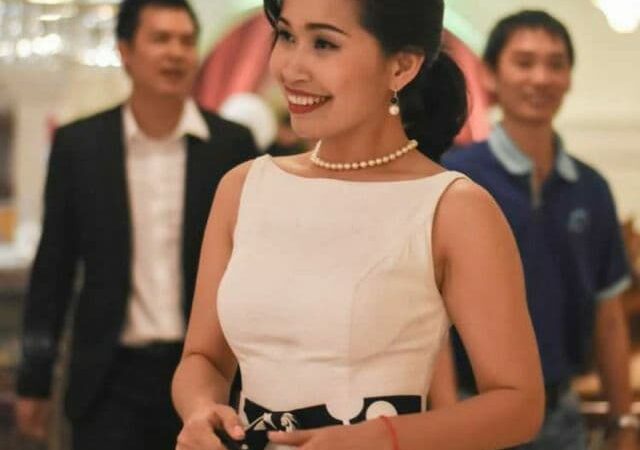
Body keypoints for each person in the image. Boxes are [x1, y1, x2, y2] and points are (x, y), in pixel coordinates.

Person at [171, 1, 544, 450]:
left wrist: (381, 437)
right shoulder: (243, 187)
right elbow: (204, 358)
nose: (290, 68)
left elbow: (518, 404)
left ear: (401, 66)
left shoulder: (453, 207)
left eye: (323, 44)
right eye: (286, 36)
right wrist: (200, 410)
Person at [14, 0, 257, 449]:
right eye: (160, 39)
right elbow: (54, 269)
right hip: (109, 377)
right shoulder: (80, 145)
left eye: (186, 41)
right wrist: (34, 378)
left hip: (208, 375)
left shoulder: (232, 146)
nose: (176, 53)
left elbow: (253, 265)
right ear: (125, 51)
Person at [442, 10, 637, 450]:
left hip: (561, 415)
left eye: (555, 64)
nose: (541, 78)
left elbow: (608, 316)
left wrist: (623, 421)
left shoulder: (590, 188)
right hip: (470, 413)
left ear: (569, 78)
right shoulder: (454, 177)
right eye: (524, 62)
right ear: (490, 74)